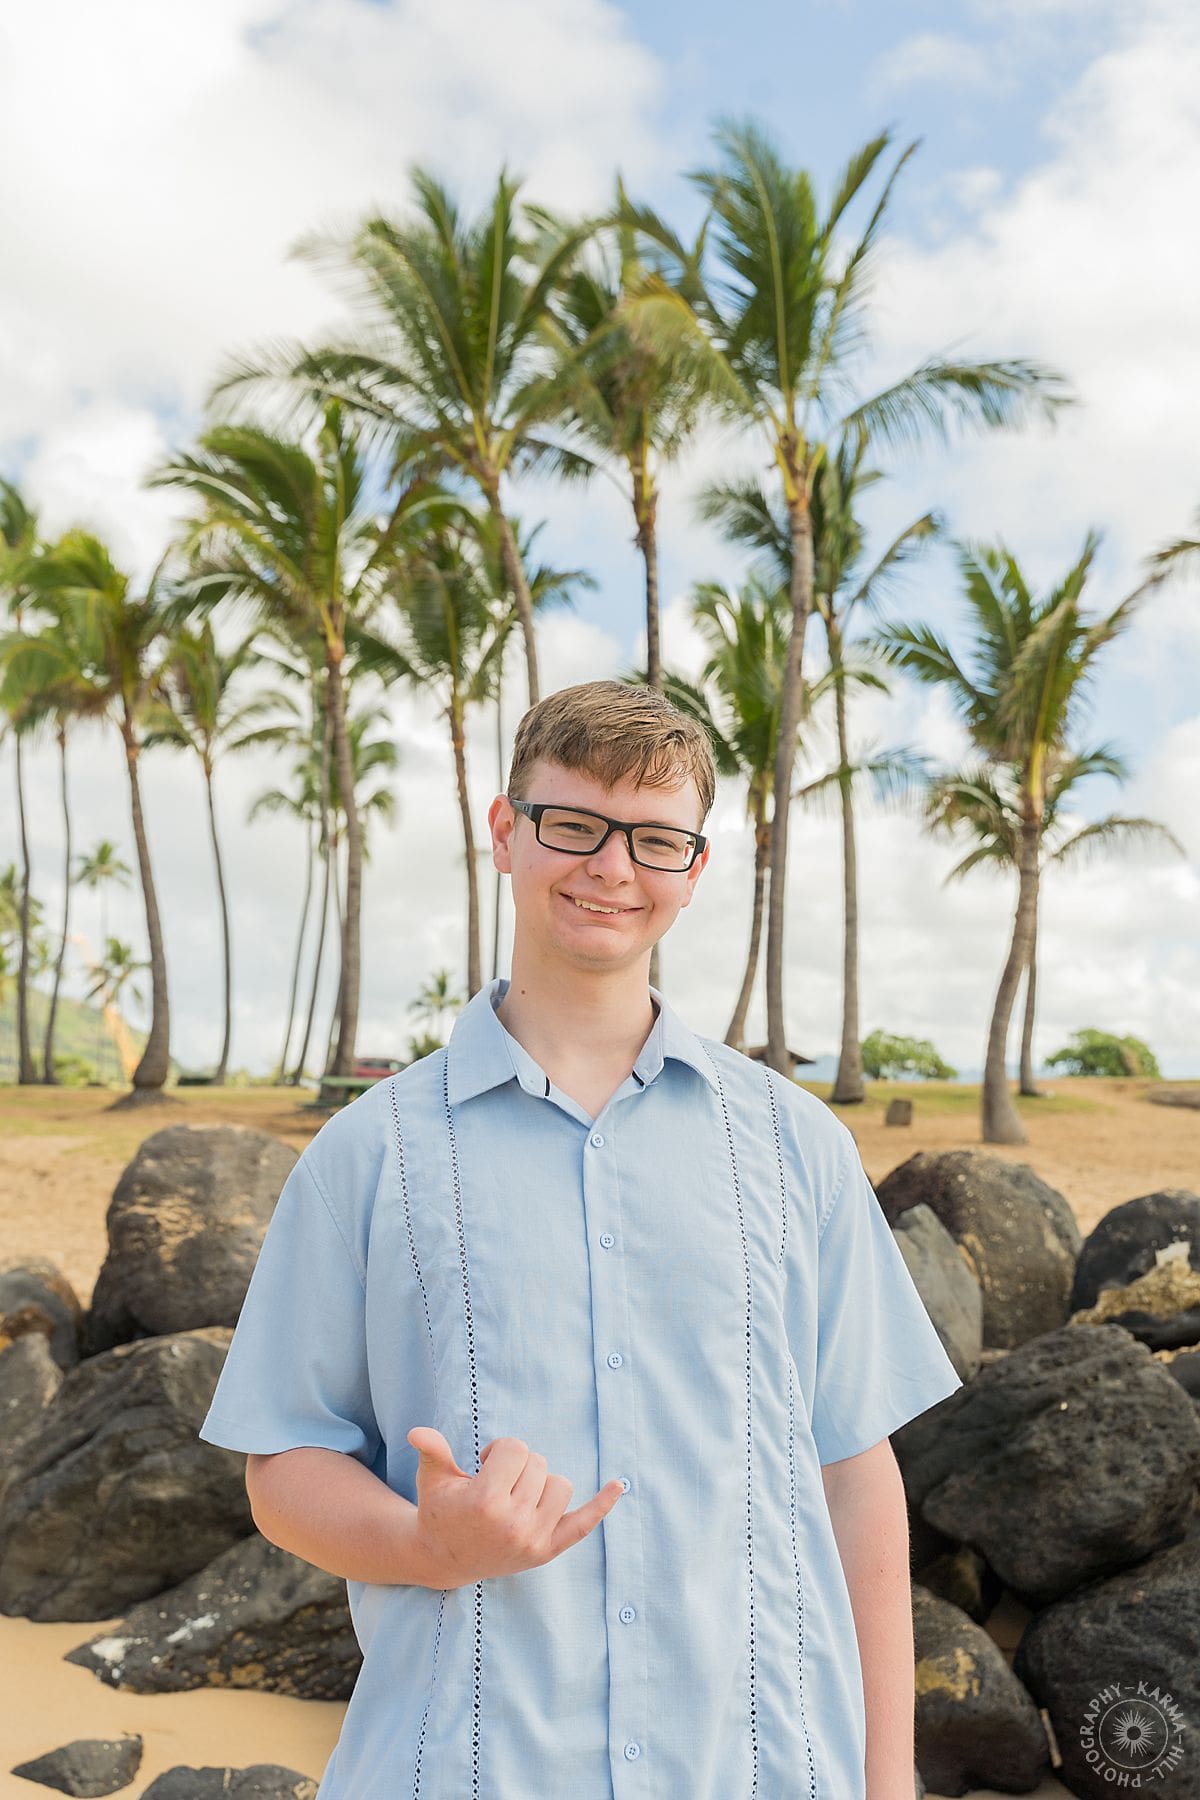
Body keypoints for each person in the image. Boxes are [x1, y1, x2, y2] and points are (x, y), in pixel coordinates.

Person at [199, 678, 962, 1799]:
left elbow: (855, 1476)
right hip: (465, 1770)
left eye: (654, 840)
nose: (612, 868)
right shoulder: (368, 1156)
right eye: (573, 825)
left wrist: (887, 1782)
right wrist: (426, 1545)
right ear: (505, 832)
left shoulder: (797, 1145)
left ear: (694, 869)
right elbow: (284, 1466)